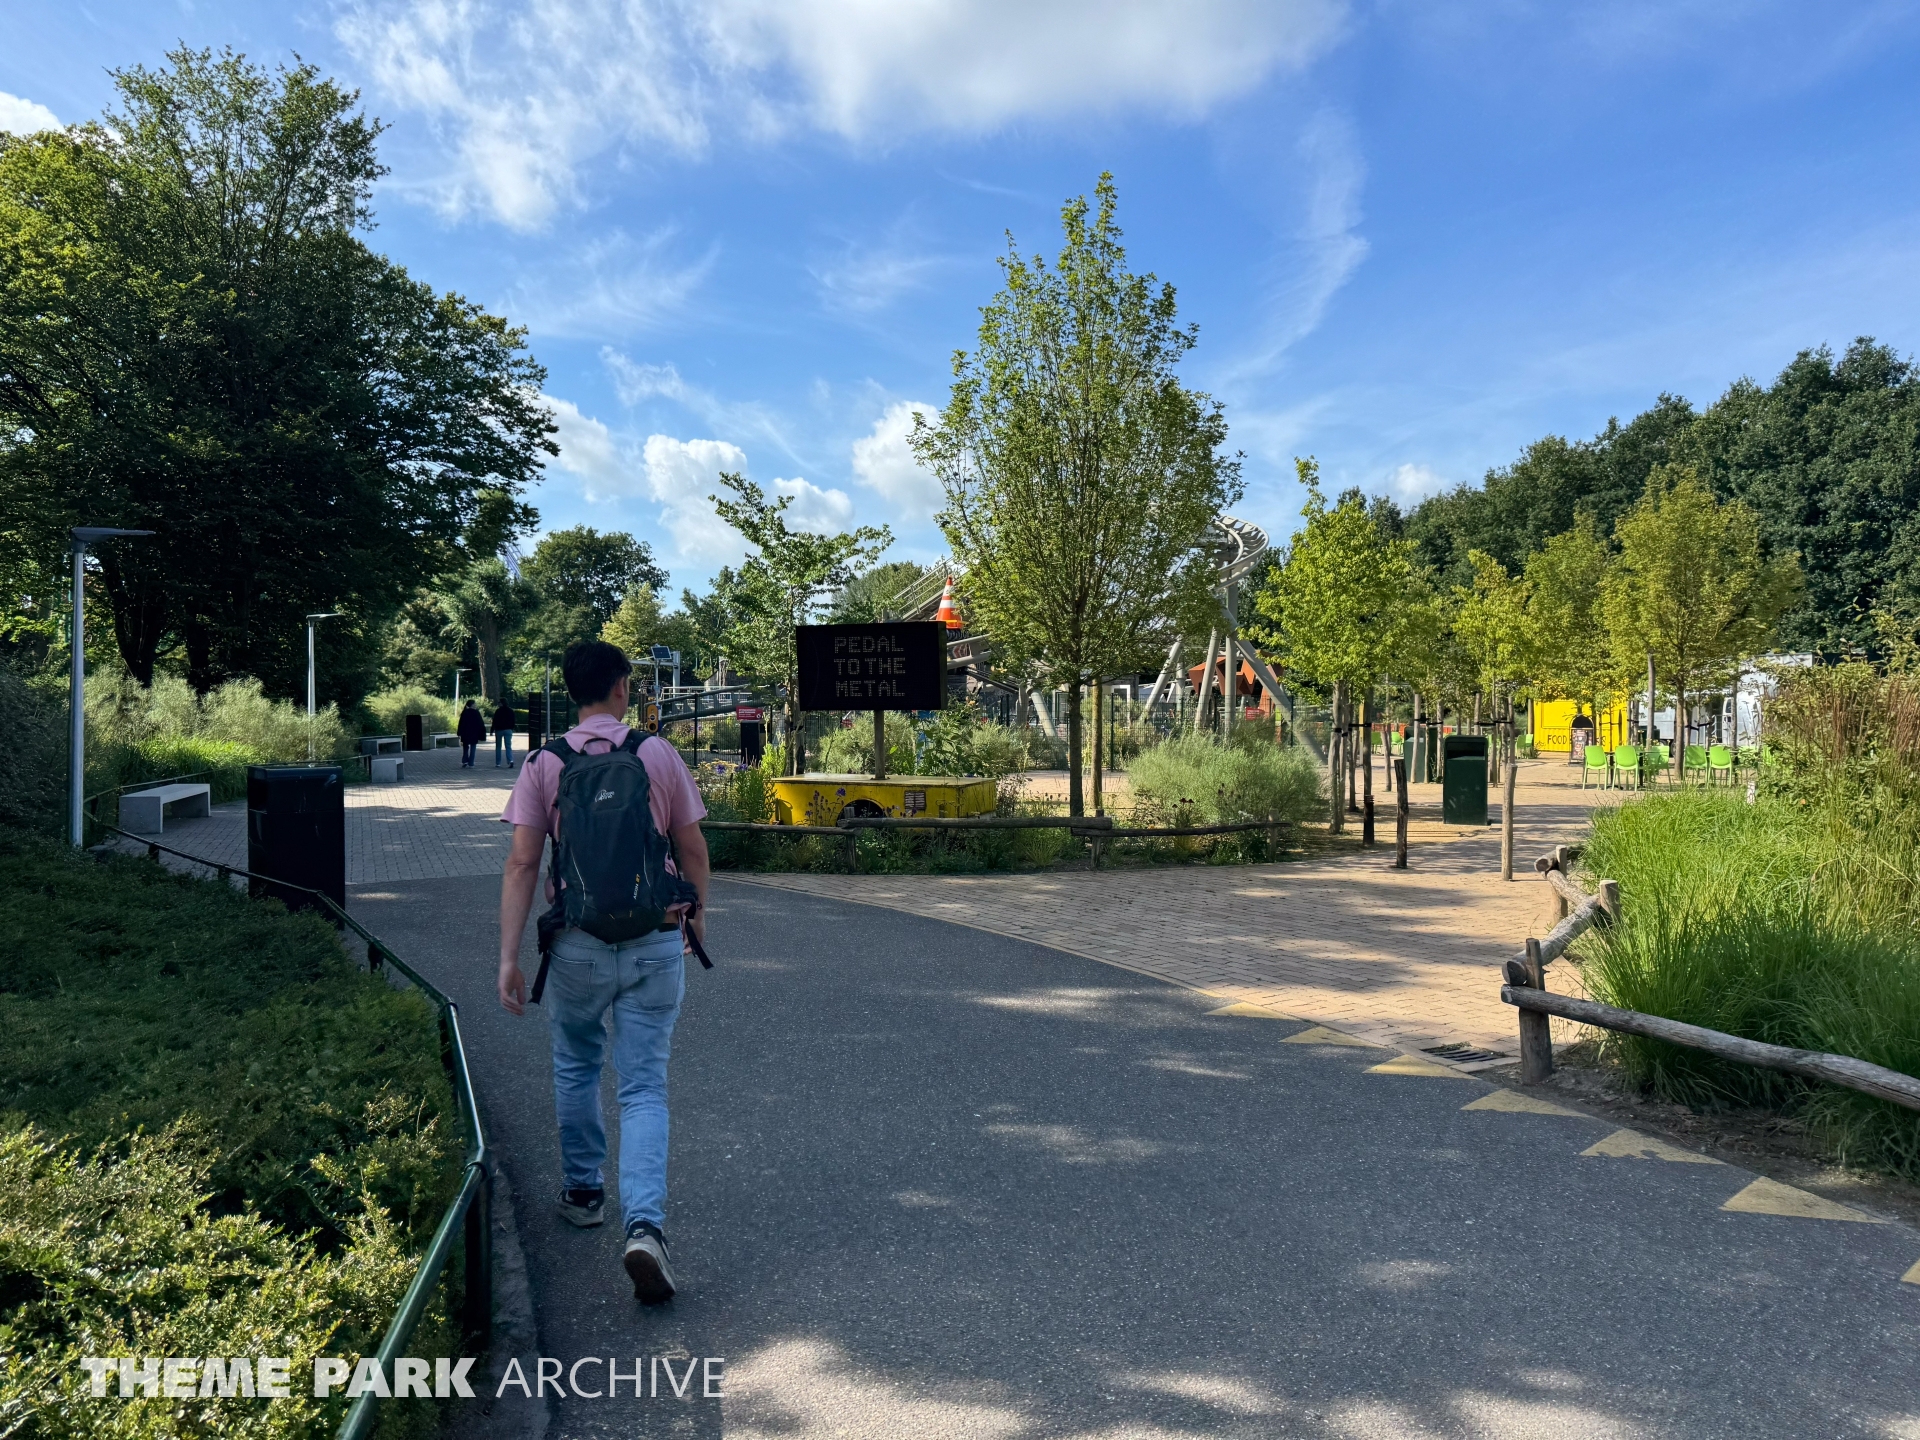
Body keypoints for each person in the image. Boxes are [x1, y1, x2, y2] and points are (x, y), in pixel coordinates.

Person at [496, 641, 709, 1303]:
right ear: (621, 688)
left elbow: (522, 864)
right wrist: (698, 918)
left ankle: (584, 1193)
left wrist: (508, 957)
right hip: (654, 939)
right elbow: (692, 846)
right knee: (643, 1086)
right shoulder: (657, 754)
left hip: (577, 946)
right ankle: (644, 1227)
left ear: (571, 692)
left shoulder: (544, 763)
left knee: (576, 1065)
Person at [456, 699, 486, 768]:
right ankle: (471, 763)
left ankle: (465, 761)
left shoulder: (464, 712)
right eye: (475, 704)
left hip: (465, 733)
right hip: (474, 733)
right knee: (473, 747)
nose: (476, 705)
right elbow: (480, 723)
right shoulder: (476, 713)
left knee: (465, 747)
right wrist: (481, 733)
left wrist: (459, 732)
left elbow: (461, 723)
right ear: (472, 705)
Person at [492, 697, 518, 768]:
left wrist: (492, 730)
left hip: (499, 730)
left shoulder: (498, 711)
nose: (498, 704)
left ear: (501, 703)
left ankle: (498, 763)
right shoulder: (510, 711)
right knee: (508, 746)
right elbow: (513, 720)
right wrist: (511, 727)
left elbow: (494, 721)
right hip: (508, 730)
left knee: (498, 746)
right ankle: (510, 760)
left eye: (499, 703)